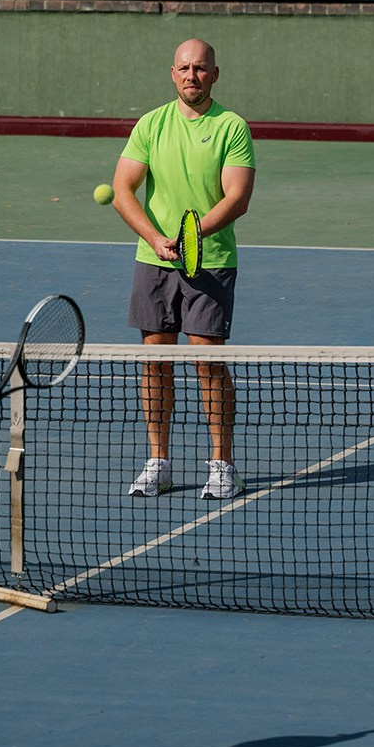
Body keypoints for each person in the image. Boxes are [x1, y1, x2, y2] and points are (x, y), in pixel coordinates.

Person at [111, 37, 257, 500]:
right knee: (155, 363)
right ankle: (159, 462)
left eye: (200, 68)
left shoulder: (231, 127)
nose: (192, 75)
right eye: (184, 68)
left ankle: (223, 465)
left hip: (211, 262)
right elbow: (122, 190)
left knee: (208, 364)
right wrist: (156, 239)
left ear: (215, 74)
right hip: (154, 261)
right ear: (173, 73)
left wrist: (193, 235)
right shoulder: (151, 125)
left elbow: (238, 197)